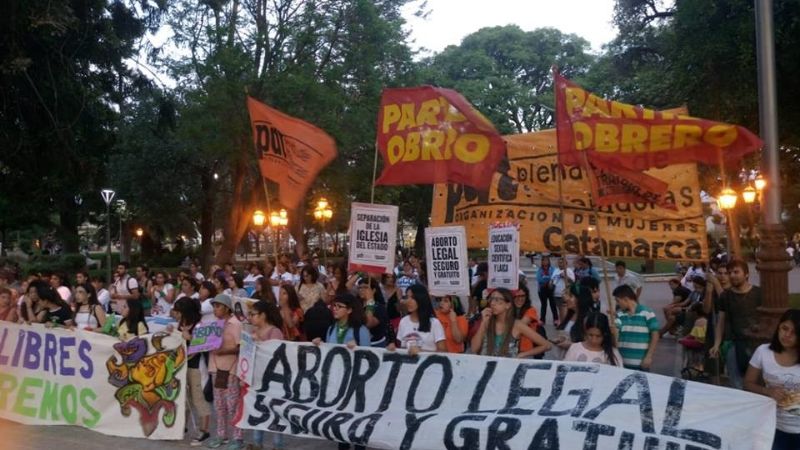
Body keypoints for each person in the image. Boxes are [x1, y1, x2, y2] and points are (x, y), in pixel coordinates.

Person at [744, 309, 800, 450]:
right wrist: (767, 391)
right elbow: (747, 384)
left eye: (794, 332)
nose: (787, 335)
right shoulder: (763, 352)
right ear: (778, 327)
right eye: (784, 328)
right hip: (773, 426)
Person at [710, 259, 762, 389]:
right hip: (734, 343)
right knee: (737, 384)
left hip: (757, 345)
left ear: (746, 274)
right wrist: (716, 344)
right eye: (730, 272)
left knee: (757, 383)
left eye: (736, 272)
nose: (732, 275)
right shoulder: (725, 296)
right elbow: (720, 322)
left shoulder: (759, 293)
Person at [170, 298, 211, 447]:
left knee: (198, 399)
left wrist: (190, 338)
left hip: (196, 367)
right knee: (183, 398)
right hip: (182, 366)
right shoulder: (181, 324)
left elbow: (203, 346)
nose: (176, 314)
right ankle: (182, 426)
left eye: (178, 311)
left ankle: (204, 430)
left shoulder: (199, 325)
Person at [246, 300, 286, 450]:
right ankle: (257, 444)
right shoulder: (253, 331)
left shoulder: (274, 331)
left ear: (263, 315)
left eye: (253, 314)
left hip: (273, 381)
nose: (250, 317)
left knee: (275, 414)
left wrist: (260, 341)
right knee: (258, 412)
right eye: (250, 314)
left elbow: (277, 356)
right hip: (257, 378)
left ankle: (277, 445)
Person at [206, 294, 243, 449]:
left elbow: (240, 346)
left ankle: (238, 437)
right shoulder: (214, 324)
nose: (215, 309)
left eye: (218, 306)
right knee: (219, 404)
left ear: (227, 308)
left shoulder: (235, 324)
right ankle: (222, 435)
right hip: (215, 368)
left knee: (232, 403)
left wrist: (223, 351)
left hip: (231, 368)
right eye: (214, 306)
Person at [470, 287, 551, 358]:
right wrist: (483, 323)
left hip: (508, 370)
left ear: (508, 305)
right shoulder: (486, 322)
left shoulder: (517, 325)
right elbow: (474, 349)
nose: (492, 303)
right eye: (491, 299)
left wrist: (522, 354)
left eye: (497, 300)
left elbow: (547, 345)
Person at [613, 285, 660, 371]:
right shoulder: (620, 315)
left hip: (641, 364)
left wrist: (649, 356)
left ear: (626, 299)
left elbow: (655, 335)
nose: (617, 304)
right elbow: (615, 334)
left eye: (618, 301)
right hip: (622, 364)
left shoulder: (647, 313)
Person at [391, 284, 446, 354]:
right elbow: (402, 348)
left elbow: (443, 352)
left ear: (421, 299)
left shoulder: (435, 323)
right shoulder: (403, 321)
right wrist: (393, 349)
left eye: (413, 298)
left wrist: (421, 352)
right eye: (407, 297)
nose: (409, 301)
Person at [357, 277, 389, 348]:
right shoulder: (356, 306)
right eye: (359, 288)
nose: (361, 290)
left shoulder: (380, 308)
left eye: (365, 287)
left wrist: (370, 301)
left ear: (373, 290)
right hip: (358, 343)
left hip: (375, 345)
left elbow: (368, 323)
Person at [552, 257, 575, 323]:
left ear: (566, 263)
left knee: (564, 309)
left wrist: (565, 277)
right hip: (556, 293)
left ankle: (564, 323)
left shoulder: (569, 271)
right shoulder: (556, 270)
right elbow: (553, 279)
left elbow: (573, 281)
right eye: (559, 262)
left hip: (565, 294)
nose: (560, 264)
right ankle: (562, 321)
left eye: (562, 262)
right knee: (560, 309)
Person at [536, 256, 558, 325]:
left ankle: (556, 319)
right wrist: (548, 280)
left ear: (549, 261)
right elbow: (539, 279)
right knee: (543, 305)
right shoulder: (539, 270)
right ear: (542, 262)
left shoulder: (552, 269)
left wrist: (547, 279)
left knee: (553, 304)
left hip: (550, 289)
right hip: (542, 289)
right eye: (544, 261)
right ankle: (542, 319)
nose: (545, 262)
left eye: (546, 260)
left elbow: (554, 277)